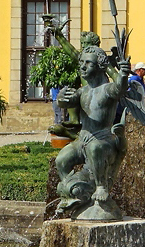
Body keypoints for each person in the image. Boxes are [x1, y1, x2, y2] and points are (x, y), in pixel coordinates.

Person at [54, 45, 133, 219]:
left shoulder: (106, 89)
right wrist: (61, 98)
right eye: (81, 62)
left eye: (88, 63)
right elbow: (66, 102)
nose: (82, 66)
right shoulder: (83, 91)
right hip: (82, 139)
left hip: (103, 141)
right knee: (61, 159)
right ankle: (71, 190)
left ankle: (101, 187)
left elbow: (119, 89)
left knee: (94, 149)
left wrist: (123, 74)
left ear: (99, 67)